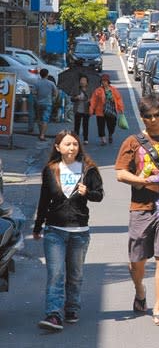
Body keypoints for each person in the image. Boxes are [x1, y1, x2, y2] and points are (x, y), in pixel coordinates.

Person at [115, 95, 159, 327]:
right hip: (140, 207)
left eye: (156, 115)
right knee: (137, 260)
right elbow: (120, 172)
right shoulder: (132, 142)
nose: (153, 120)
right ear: (142, 117)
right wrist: (139, 180)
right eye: (148, 116)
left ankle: (158, 308)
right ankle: (140, 290)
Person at [33, 130, 104, 331]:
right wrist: (38, 227)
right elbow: (44, 199)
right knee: (55, 273)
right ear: (58, 148)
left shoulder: (89, 169)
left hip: (79, 230)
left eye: (74, 144)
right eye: (67, 144)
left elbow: (99, 195)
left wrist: (87, 192)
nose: (72, 147)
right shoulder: (50, 170)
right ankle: (53, 314)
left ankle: (71, 307)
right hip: (54, 230)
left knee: (75, 274)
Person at [89, 74, 124, 146]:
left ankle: (110, 134)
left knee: (112, 125)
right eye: (103, 81)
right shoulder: (98, 90)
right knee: (100, 125)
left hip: (111, 110)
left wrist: (121, 108)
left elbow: (118, 99)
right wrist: (91, 109)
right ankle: (103, 139)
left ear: (108, 82)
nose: (104, 82)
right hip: (100, 111)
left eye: (105, 81)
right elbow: (93, 100)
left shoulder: (114, 90)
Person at [34, 68, 58, 141]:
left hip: (39, 103)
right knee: (45, 119)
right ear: (47, 74)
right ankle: (42, 135)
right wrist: (53, 99)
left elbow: (34, 93)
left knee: (39, 119)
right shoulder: (51, 83)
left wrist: (37, 99)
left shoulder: (37, 83)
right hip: (48, 103)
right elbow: (55, 93)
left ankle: (40, 133)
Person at [71, 75, 90, 145]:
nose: (82, 82)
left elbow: (93, 99)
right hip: (77, 109)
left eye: (84, 80)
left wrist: (89, 100)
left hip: (86, 110)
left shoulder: (89, 89)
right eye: (81, 80)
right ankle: (76, 138)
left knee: (85, 125)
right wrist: (76, 97)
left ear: (87, 82)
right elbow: (71, 98)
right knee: (77, 125)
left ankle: (85, 139)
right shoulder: (76, 89)